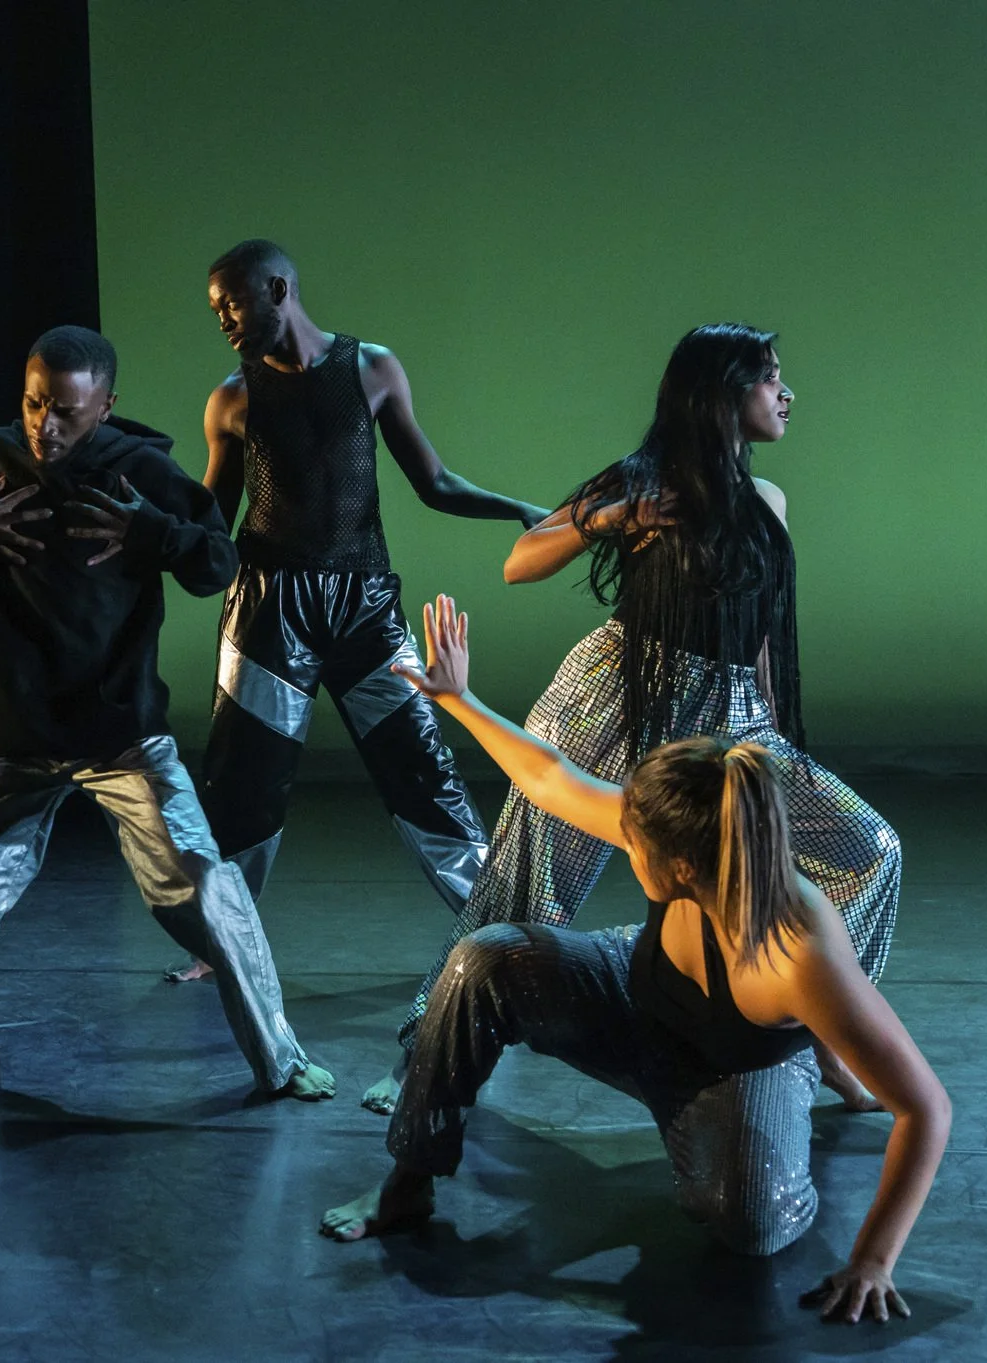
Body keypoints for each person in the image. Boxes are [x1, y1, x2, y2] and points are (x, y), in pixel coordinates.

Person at [321, 597, 949, 1328]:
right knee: (484, 958)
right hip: (640, 994)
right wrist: (459, 699)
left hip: (734, 1071)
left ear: (681, 866)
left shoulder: (796, 949)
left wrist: (873, 1259)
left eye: (638, 844)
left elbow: (926, 1109)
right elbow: (550, 776)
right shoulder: (697, 837)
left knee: (751, 1223)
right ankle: (408, 1184)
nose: (626, 845)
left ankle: (804, 1077)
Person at [368, 324, 901, 1114]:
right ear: (721, 392)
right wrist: (619, 515)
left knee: (871, 852)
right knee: (528, 884)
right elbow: (521, 561)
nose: (786, 394)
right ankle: (426, 1054)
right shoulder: (645, 481)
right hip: (621, 691)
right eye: (769, 378)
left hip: (733, 714)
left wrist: (773, 734)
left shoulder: (769, 502)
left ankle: (821, 1036)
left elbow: (759, 635)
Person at [0, 325, 334, 1100]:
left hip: (123, 733)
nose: (45, 425)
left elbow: (217, 561)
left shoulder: (139, 468)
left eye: (66, 411)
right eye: (34, 404)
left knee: (206, 888)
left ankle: (282, 1057)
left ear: (105, 406)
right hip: (17, 733)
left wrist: (150, 532)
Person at [173, 239, 548, 983]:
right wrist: (147, 533)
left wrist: (520, 509)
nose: (224, 321)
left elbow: (434, 482)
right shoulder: (233, 399)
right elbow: (209, 524)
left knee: (422, 765)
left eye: (233, 304)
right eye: (216, 311)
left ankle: (500, 929)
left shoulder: (371, 368)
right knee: (243, 781)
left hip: (364, 605)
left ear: (278, 290)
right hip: (270, 607)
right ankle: (218, 943)